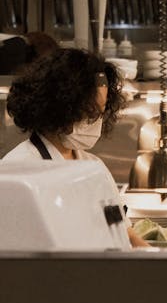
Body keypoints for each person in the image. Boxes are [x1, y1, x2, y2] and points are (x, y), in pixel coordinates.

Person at [3, 47, 148, 248]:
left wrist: (156, 259)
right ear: (59, 107)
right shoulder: (18, 169)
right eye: (89, 112)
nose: (95, 121)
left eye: (100, 113)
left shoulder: (94, 167)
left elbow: (122, 230)